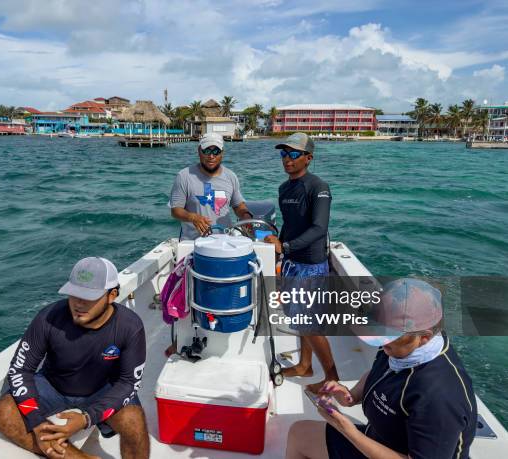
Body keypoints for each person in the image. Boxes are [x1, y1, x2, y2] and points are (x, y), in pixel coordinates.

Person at [286, 278, 477, 459]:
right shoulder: (399, 347)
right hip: (376, 441)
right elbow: (380, 370)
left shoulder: (440, 397)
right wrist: (351, 395)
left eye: (388, 341)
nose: (382, 347)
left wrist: (348, 431)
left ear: (424, 337)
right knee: (298, 434)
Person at [0, 257, 149, 459]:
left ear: (112, 295)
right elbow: (21, 370)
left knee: (134, 420)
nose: (78, 304)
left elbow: (128, 383)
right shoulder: (48, 317)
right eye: (74, 294)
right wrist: (36, 422)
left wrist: (87, 418)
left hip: (102, 389)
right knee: (3, 412)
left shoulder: (130, 327)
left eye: (89, 297)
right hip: (52, 386)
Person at [264, 133, 338, 390]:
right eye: (284, 154)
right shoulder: (284, 188)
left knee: (310, 324)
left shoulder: (319, 187)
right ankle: (305, 366)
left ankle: (332, 379)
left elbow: (319, 227)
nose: (287, 159)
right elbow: (290, 224)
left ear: (308, 158)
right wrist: (278, 243)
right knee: (300, 321)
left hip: (311, 264)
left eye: (294, 154)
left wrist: (284, 246)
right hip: (291, 262)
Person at [170, 132, 253, 239]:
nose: (211, 156)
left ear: (222, 153)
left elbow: (238, 205)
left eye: (216, 151)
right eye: (207, 151)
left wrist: (245, 216)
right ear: (199, 151)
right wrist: (192, 217)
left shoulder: (231, 176)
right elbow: (175, 210)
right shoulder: (184, 176)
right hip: (193, 243)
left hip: (225, 241)